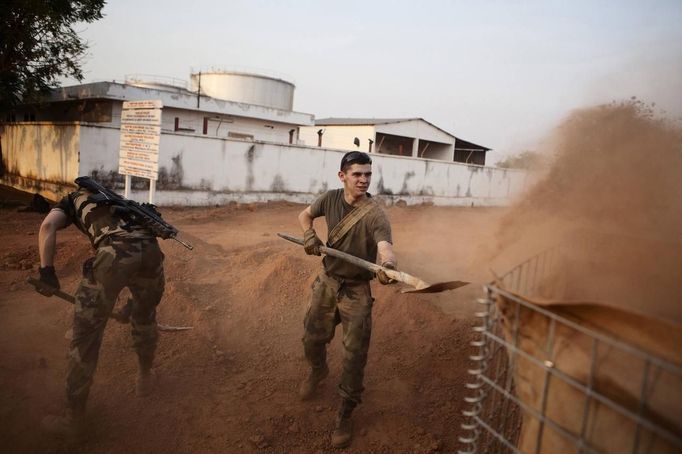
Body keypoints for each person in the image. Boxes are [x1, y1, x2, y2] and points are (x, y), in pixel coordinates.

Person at [34, 179, 165, 435]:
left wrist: (46, 271)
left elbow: (48, 225)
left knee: (86, 335)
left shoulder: (72, 199)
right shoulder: (122, 202)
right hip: (152, 253)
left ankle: (73, 419)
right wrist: (134, 301)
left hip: (114, 255)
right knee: (145, 315)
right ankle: (144, 380)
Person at [298, 151, 397, 448]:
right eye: (357, 174)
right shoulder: (329, 199)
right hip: (327, 283)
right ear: (342, 176)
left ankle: (345, 412)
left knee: (355, 356)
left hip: (356, 291)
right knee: (312, 340)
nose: (364, 179)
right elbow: (304, 215)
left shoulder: (376, 213)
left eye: (368, 174)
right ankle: (318, 370)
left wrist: (388, 266)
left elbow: (386, 246)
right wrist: (309, 234)